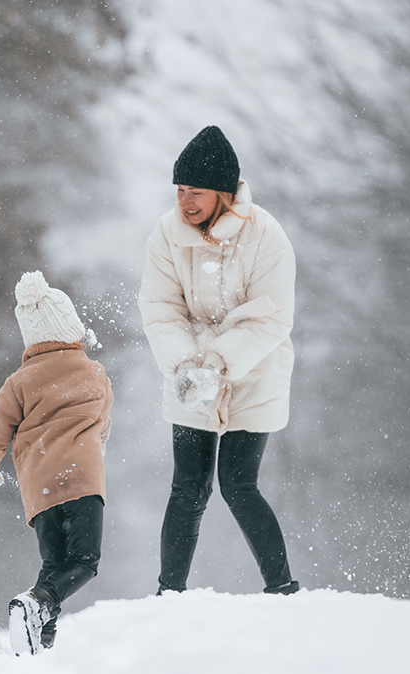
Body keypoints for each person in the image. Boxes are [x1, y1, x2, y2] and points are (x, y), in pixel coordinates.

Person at [137, 125, 300, 596]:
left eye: (197, 192)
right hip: (188, 373)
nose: (185, 202)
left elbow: (271, 318)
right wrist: (187, 366)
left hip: (254, 370)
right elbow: (161, 309)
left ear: (223, 192)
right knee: (187, 487)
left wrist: (219, 363)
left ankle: (282, 589)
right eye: (181, 190)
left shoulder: (266, 235)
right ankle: (169, 594)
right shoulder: (166, 234)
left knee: (237, 484)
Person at [0, 271, 114, 656]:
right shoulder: (94, 372)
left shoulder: (19, 381)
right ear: (72, 327)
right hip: (82, 481)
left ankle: (40, 637)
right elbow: (103, 423)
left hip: (41, 490)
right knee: (83, 562)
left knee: (54, 565)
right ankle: (36, 607)